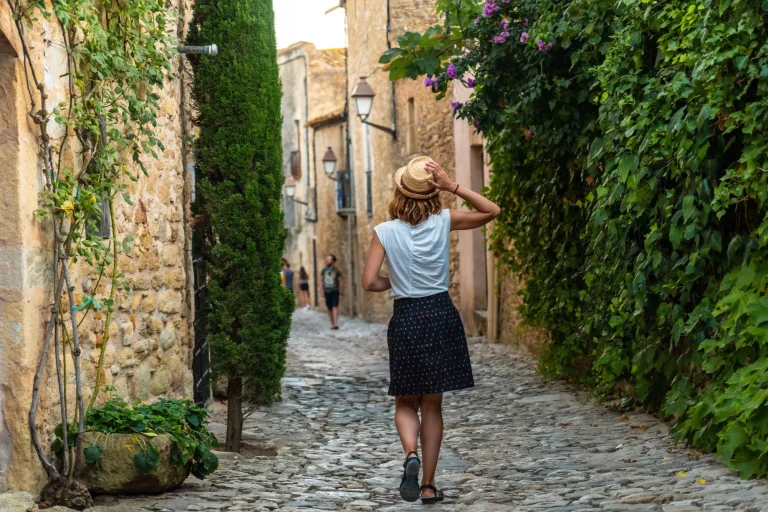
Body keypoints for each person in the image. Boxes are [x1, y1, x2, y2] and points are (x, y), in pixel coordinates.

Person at [362, 156, 500, 504]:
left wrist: (396, 280)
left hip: (406, 316)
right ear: (431, 192)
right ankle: (428, 486)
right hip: (440, 313)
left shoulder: (384, 231)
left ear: (399, 192)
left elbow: (368, 282)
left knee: (405, 401)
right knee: (433, 406)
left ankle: (410, 455)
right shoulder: (445, 220)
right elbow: (491, 211)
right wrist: (452, 185)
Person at [320, 254, 343, 329]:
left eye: (329, 259)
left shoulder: (336, 271)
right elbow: (321, 281)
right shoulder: (324, 270)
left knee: (335, 307)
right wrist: (322, 290)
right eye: (327, 259)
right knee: (329, 308)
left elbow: (340, 282)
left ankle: (336, 324)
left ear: (333, 261)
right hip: (327, 291)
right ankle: (332, 324)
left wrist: (340, 293)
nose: (328, 261)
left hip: (334, 291)